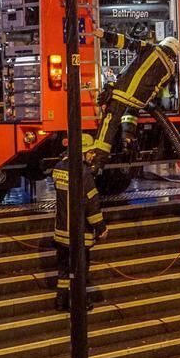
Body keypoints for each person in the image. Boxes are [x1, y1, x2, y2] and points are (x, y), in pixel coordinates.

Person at [92, 29, 179, 164]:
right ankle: (128, 140)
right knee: (130, 115)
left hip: (122, 94)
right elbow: (161, 87)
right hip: (139, 102)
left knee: (109, 123)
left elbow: (127, 43)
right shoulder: (171, 70)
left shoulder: (151, 49)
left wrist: (105, 35)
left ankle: (97, 159)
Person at [52, 134, 108, 312]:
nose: (92, 156)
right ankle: (80, 301)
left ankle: (61, 300)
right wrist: (101, 229)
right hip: (79, 233)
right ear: (82, 152)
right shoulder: (84, 174)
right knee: (79, 271)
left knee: (63, 269)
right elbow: (92, 207)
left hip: (61, 231)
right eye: (90, 152)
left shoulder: (58, 168)